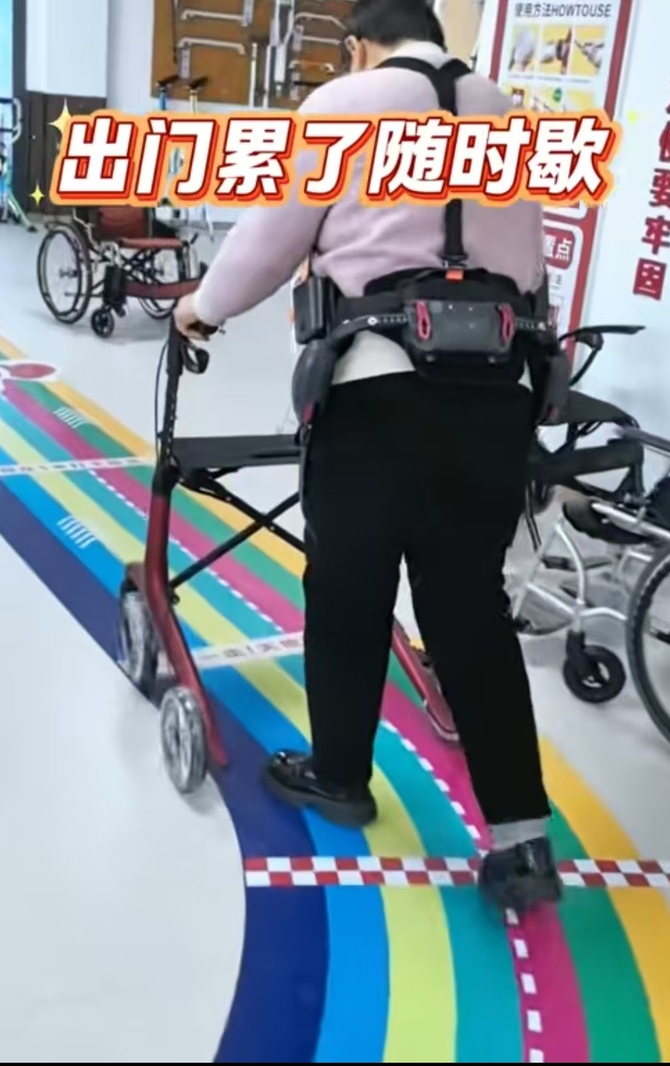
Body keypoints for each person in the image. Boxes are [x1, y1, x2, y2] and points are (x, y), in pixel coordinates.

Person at [174, 0, 561, 913]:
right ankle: (522, 841)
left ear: (357, 47)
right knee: (469, 609)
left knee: (349, 590)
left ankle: (340, 775)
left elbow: (271, 239)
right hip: (496, 394)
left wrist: (200, 309)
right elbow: (532, 265)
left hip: (377, 388)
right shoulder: (505, 112)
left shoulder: (344, 104)